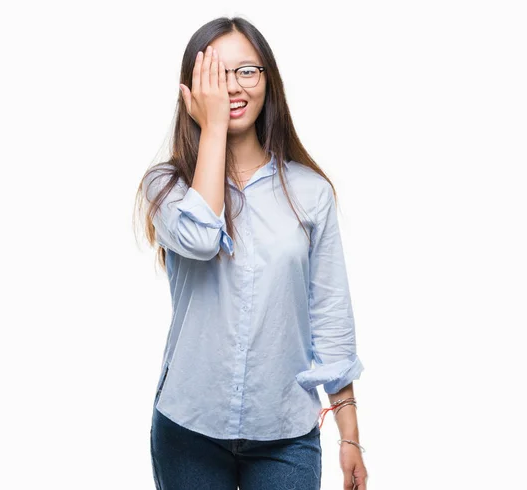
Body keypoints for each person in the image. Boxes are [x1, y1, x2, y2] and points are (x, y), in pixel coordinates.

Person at [134, 16, 368, 490]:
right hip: (188, 428)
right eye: (217, 75)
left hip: (285, 433)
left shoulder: (311, 192)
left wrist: (349, 436)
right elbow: (201, 239)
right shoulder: (166, 187)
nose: (233, 87)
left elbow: (330, 316)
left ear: (268, 80)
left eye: (247, 71)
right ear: (193, 92)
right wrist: (214, 125)